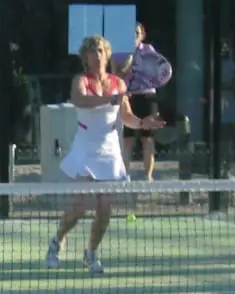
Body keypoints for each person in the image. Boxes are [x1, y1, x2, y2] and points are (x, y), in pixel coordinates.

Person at [45, 35, 164, 274]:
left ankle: (90, 253)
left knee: (105, 208)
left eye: (100, 51)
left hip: (109, 150)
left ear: (107, 55)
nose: (97, 55)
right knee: (79, 207)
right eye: (92, 51)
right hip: (86, 147)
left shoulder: (118, 84)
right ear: (85, 58)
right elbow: (80, 100)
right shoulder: (81, 80)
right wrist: (109, 98)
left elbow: (126, 116)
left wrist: (142, 122)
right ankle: (57, 241)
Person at [117, 23, 169, 182]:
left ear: (142, 35)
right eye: (131, 32)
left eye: (137, 33)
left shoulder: (149, 51)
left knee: (148, 138)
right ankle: (124, 174)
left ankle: (148, 175)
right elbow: (117, 74)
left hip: (147, 96)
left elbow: (159, 72)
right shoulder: (121, 52)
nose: (133, 35)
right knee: (127, 139)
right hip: (129, 96)